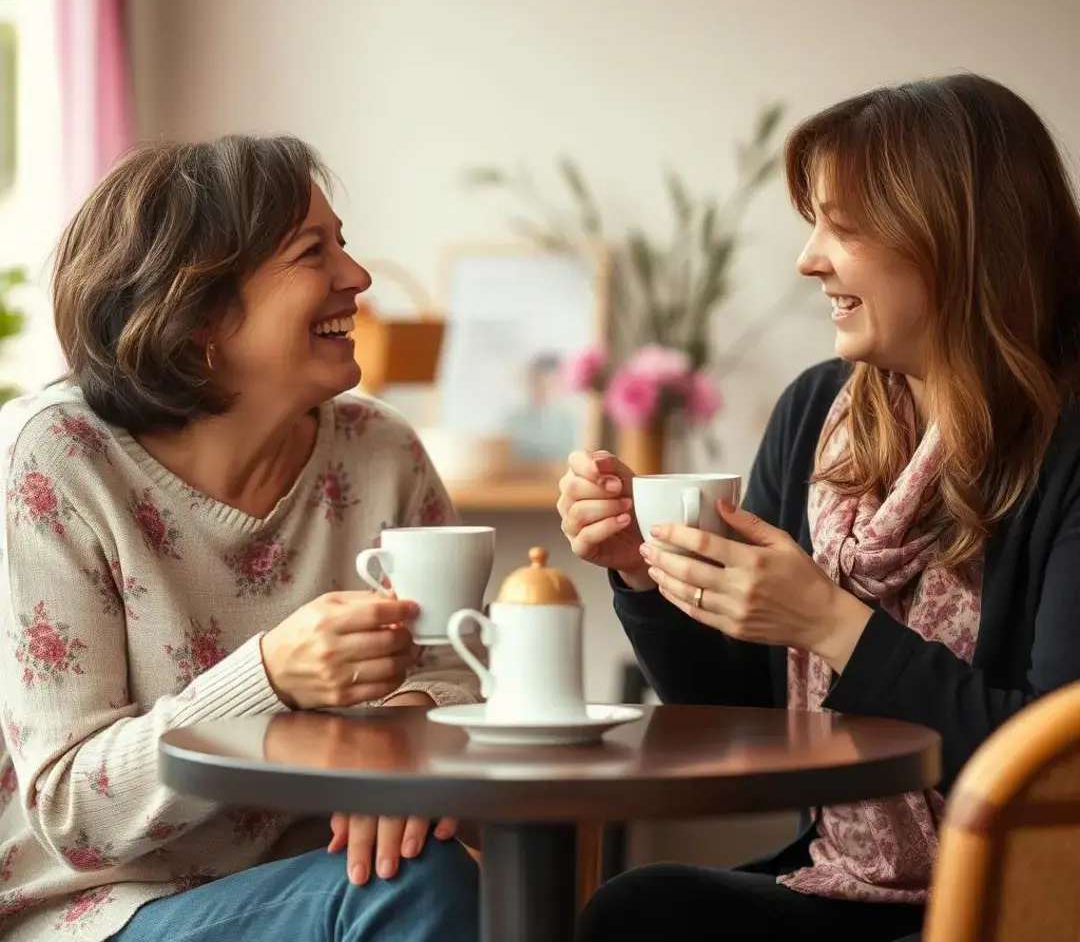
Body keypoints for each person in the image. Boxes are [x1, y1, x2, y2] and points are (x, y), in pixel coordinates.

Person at [558, 74, 1080, 941]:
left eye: (843, 227)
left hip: (1027, 903)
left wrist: (833, 625)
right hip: (847, 885)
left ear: (957, 241)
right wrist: (643, 579)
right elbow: (739, 720)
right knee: (637, 911)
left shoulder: (1066, 444)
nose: (809, 259)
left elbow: (1055, 762)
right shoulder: (816, 418)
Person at [0, 135, 481, 941]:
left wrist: (400, 732)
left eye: (344, 245)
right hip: (94, 912)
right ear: (197, 313)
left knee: (449, 874)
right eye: (311, 252)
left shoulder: (381, 453)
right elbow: (72, 810)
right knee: (420, 885)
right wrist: (268, 677)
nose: (357, 278)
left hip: (320, 883)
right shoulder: (55, 460)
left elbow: (470, 676)